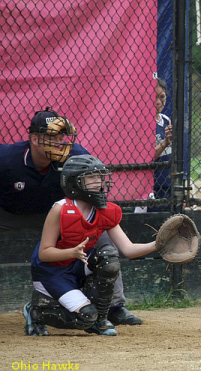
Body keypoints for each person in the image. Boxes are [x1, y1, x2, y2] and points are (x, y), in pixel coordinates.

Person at [0, 108, 142, 326]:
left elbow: (94, 189)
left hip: (57, 214)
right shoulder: (8, 159)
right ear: (35, 139)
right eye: (52, 137)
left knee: (101, 234)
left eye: (61, 137)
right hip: (9, 213)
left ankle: (113, 306)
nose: (59, 142)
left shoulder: (74, 155)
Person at [23, 155, 157, 336]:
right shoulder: (61, 209)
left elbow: (128, 249)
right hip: (52, 272)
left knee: (108, 256)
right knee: (85, 317)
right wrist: (72, 252)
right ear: (74, 183)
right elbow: (44, 253)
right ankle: (36, 311)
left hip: (77, 264)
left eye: (100, 176)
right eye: (91, 177)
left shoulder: (105, 210)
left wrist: (158, 244)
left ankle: (101, 318)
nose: (99, 182)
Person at [151, 78, 173, 211]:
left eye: (162, 97)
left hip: (167, 180)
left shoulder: (165, 119)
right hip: (152, 184)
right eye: (154, 97)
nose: (158, 102)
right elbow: (147, 157)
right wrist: (165, 143)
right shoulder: (143, 121)